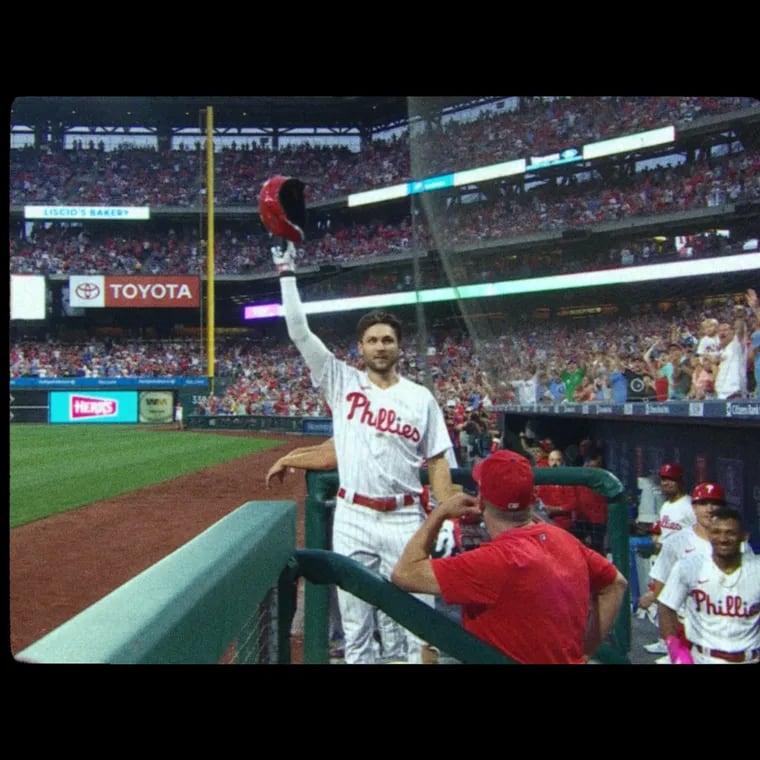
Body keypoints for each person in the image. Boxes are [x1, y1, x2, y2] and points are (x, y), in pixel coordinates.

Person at [273, 236, 458, 664]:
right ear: (361, 347)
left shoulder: (420, 398)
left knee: (413, 625)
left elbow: (437, 462)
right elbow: (299, 331)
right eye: (372, 340)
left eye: (387, 339)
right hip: (352, 515)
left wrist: (445, 511)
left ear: (399, 346)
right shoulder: (341, 381)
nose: (380, 346)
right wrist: (286, 274)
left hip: (404, 516)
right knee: (355, 628)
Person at [390, 450, 628, 664]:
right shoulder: (564, 539)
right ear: (531, 499)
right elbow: (616, 584)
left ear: (481, 501)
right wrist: (584, 653)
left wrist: (439, 513)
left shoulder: (493, 561)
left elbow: (404, 573)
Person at [658, 505, 760, 664]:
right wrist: (676, 649)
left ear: (743, 536)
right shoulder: (689, 567)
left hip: (749, 657)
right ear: (709, 535)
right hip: (704, 657)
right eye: (716, 532)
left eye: (730, 533)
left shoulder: (756, 569)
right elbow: (666, 607)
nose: (723, 539)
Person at [636, 461, 693, 653]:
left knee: (677, 607)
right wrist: (658, 536)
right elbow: (663, 530)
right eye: (664, 480)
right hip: (665, 560)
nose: (667, 483)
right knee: (665, 604)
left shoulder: (688, 506)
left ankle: (680, 649)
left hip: (683, 563)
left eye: (671, 480)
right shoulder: (667, 505)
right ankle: (668, 643)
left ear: (680, 481)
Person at [534, 448, 577, 532]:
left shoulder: (567, 481)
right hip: (545, 522)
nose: (554, 463)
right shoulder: (545, 482)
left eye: (558, 460)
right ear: (548, 461)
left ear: (563, 462)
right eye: (552, 460)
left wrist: (555, 509)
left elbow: (572, 504)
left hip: (564, 524)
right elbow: (538, 500)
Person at [714, 305, 748, 400]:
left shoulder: (736, 345)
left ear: (732, 333)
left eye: (725, 330)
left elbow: (740, 331)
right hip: (721, 395)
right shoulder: (722, 351)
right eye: (719, 331)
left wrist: (739, 317)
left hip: (735, 394)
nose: (722, 333)